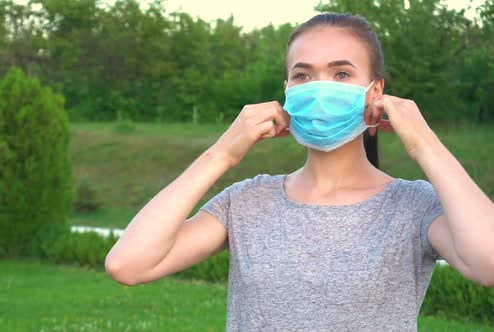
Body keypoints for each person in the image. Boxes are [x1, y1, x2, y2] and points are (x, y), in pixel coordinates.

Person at [105, 13, 494, 331]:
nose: (319, 88)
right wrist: (221, 154)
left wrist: (425, 145)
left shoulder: (413, 205)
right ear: (287, 89)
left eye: (341, 74)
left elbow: (488, 263)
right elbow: (129, 263)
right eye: (303, 75)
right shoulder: (247, 202)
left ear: (375, 92)